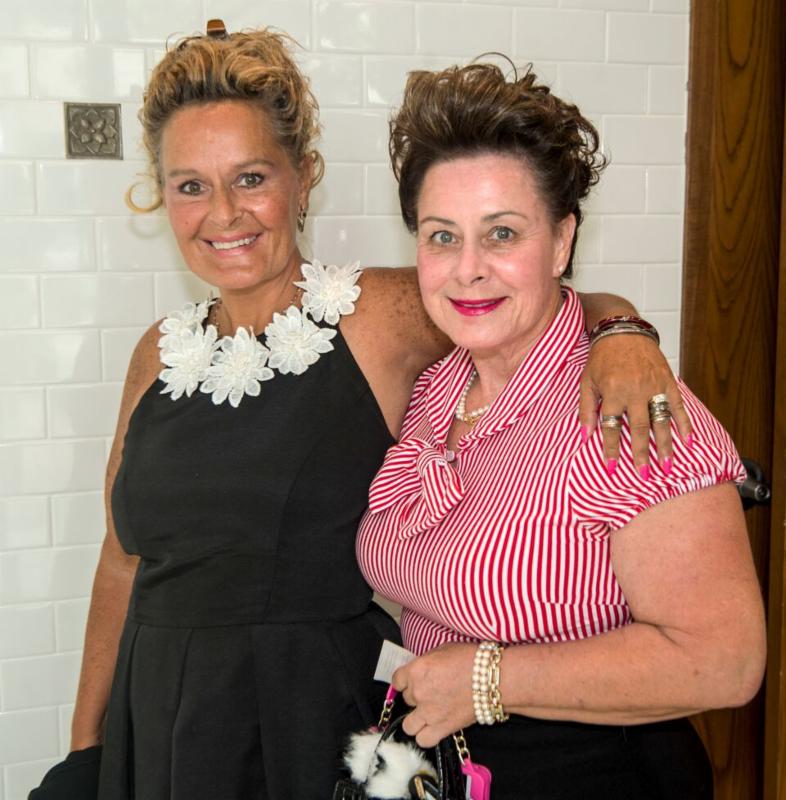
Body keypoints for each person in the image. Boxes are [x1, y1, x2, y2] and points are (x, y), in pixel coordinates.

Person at [33, 24, 687, 800]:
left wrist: (621, 330)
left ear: (303, 178)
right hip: (160, 724)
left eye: (250, 178)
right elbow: (121, 561)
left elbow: (528, 298)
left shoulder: (376, 314)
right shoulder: (157, 351)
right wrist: (88, 748)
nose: (223, 213)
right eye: (190, 186)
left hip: (310, 722)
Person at [357, 62, 766, 798]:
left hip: (593, 773)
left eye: (502, 233)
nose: (468, 269)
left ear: (561, 240)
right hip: (447, 768)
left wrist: (488, 679)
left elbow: (724, 662)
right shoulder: (433, 388)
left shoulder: (625, 410)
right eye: (442, 236)